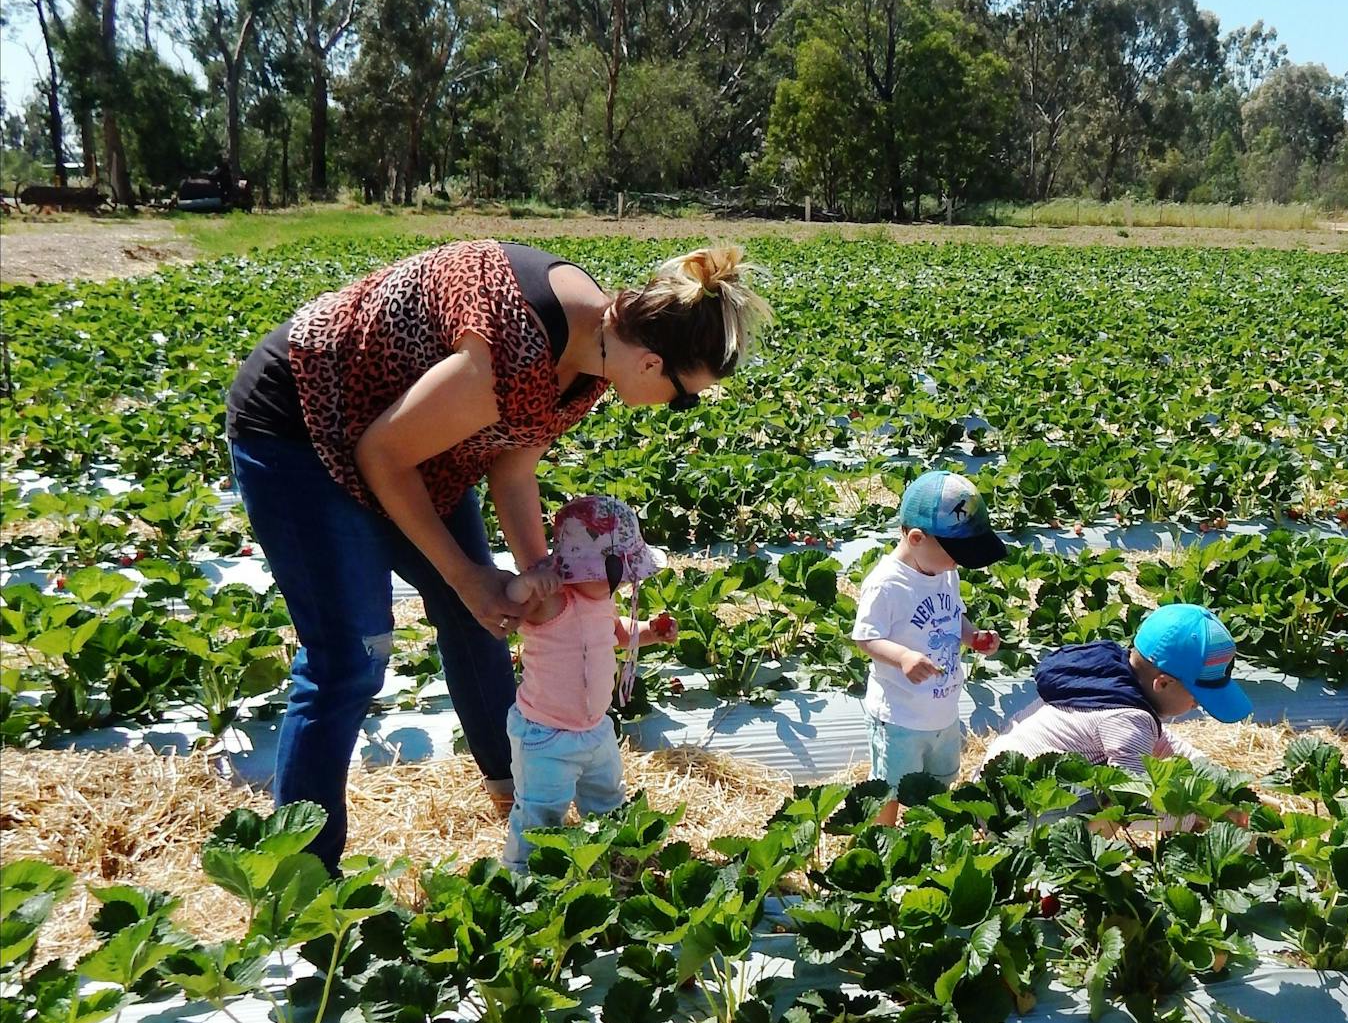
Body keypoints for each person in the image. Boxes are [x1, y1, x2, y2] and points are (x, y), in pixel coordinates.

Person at [225, 240, 769, 871]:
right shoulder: (516, 345)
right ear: (651, 364)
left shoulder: (593, 354)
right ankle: (302, 877)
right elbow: (381, 456)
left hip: (410, 439)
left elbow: (513, 466)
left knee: (479, 618)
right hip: (300, 424)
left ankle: (509, 788)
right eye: (685, 396)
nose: (677, 409)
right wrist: (466, 577)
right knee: (349, 657)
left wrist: (542, 577)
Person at [500, 495, 675, 870]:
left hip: (596, 729)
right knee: (540, 815)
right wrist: (528, 581)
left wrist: (650, 632)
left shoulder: (603, 602)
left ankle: (614, 857)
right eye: (621, 575)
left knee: (609, 800)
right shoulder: (552, 602)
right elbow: (510, 599)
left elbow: (618, 633)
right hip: (546, 737)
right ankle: (521, 876)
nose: (625, 584)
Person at [852, 471, 1005, 824]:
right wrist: (903, 656)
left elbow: (954, 617)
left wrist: (972, 636)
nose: (958, 563)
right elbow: (865, 637)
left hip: (943, 711)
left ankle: (931, 832)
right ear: (917, 538)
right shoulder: (886, 584)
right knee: (889, 789)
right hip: (900, 717)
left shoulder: (945, 572)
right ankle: (882, 838)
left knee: (940, 783)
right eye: (955, 554)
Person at [981, 603, 1252, 779]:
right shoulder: (1126, 718)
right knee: (1108, 806)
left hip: (996, 779)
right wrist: (1199, 815)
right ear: (1164, 683)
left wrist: (1222, 782)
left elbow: (1161, 741)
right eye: (1197, 696)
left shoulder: (1106, 680)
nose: (1196, 706)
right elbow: (1133, 799)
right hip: (1019, 809)